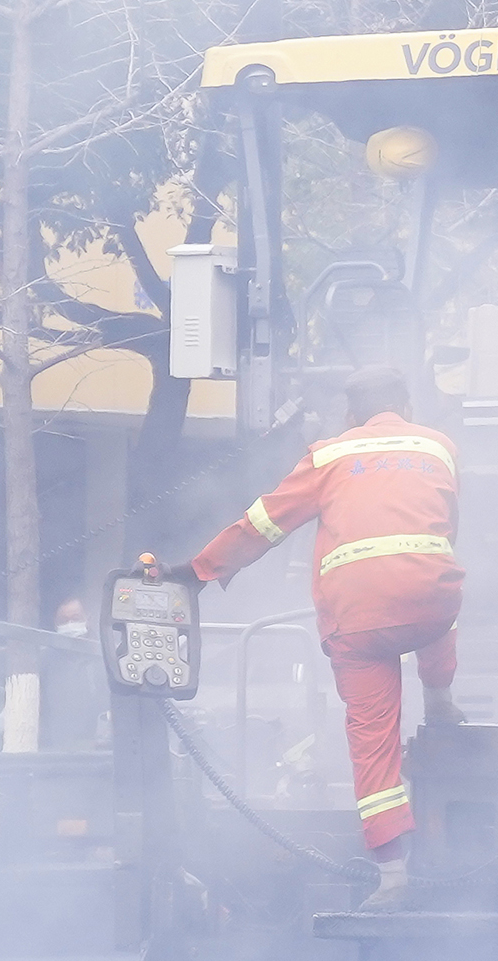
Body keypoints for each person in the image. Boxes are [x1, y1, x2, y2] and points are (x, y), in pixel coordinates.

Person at [192, 366, 464, 898]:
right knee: (436, 587)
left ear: (348, 417)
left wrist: (198, 572)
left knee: (371, 739)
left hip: (356, 620)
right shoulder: (439, 448)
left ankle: (392, 878)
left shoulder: (329, 454)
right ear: (408, 410)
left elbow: (264, 526)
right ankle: (439, 702)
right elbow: (443, 531)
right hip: (431, 602)